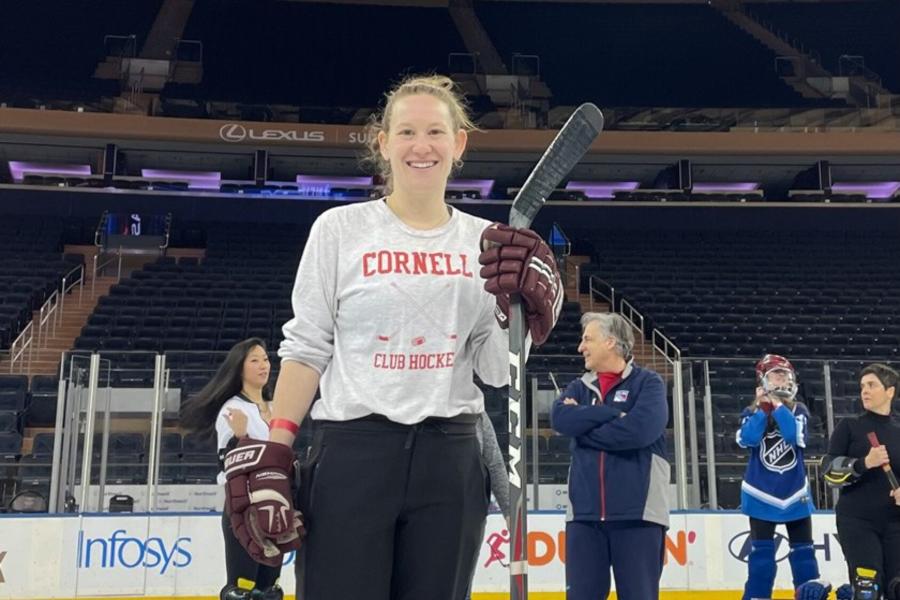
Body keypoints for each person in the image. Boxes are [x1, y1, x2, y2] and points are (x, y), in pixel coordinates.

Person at [221, 74, 563, 600]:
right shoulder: (339, 229)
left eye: (434, 132)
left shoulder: (487, 243)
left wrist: (518, 318)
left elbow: (496, 372)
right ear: (382, 143)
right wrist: (276, 453)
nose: (420, 146)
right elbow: (307, 348)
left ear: (459, 143)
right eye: (405, 132)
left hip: (450, 457)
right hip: (353, 454)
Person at [550, 312, 669, 600]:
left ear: (611, 342)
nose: (581, 347)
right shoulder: (579, 386)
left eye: (587, 339)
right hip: (584, 517)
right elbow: (560, 420)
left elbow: (639, 432)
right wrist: (611, 414)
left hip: (638, 516)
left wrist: (585, 427)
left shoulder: (648, 384)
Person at [180, 338, 284, 600]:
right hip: (244, 509)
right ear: (239, 368)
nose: (264, 365)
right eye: (254, 360)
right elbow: (228, 465)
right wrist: (240, 438)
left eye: (266, 359)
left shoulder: (277, 408)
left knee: (270, 590)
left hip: (275, 508)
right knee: (242, 589)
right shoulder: (233, 409)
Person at [735, 354, 823, 600]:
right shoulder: (750, 411)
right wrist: (763, 409)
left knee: (804, 553)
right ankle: (756, 596)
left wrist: (778, 406)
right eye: (776, 374)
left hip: (795, 492)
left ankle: (809, 595)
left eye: (785, 374)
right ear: (763, 379)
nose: (782, 378)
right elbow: (748, 439)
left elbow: (794, 435)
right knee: (761, 556)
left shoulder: (799, 409)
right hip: (760, 492)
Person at [822, 363, 900, 599]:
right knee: (867, 587)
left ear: (890, 391)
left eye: (872, 385)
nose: (864, 390)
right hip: (857, 521)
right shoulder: (849, 426)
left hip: (896, 523)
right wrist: (863, 463)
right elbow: (828, 473)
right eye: (862, 386)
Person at [464, 411, 510, 600]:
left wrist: (509, 509)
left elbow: (495, 463)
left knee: (461, 584)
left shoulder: (477, 413)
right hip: (424, 513)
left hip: (468, 512)